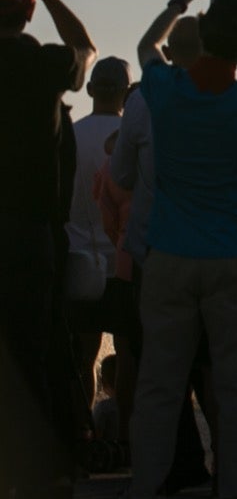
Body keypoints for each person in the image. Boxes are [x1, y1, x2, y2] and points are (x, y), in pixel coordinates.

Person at [123, 0, 237, 499]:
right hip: (235, 254)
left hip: (170, 253)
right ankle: (236, 490)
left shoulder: (166, 91)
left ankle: (144, 490)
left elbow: (146, 46)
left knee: (160, 384)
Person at [0, 0, 96, 499]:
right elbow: (84, 50)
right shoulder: (43, 65)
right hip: (29, 231)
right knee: (33, 350)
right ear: (29, 12)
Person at [107, 16, 213, 495]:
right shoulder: (234, 96)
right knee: (212, 364)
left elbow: (121, 175)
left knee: (159, 364)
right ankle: (234, 466)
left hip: (157, 252)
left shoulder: (143, 100)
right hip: (218, 250)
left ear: (169, 55)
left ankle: (174, 465)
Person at [66, 57, 133, 407]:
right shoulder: (131, 140)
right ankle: (123, 430)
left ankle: (84, 426)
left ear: (90, 89)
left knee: (83, 358)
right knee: (128, 356)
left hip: (79, 261)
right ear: (126, 93)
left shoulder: (70, 135)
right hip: (124, 262)